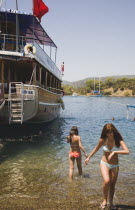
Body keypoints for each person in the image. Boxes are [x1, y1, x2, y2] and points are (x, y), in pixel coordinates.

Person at [85, 123, 129, 209]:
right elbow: (96, 148)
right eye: (107, 132)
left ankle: (111, 202)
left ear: (114, 131)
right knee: (106, 181)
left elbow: (127, 151)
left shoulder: (118, 140)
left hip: (115, 165)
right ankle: (105, 200)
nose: (109, 134)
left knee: (112, 185)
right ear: (104, 133)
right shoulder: (103, 140)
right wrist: (88, 158)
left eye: (110, 132)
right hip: (104, 163)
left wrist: (115, 152)